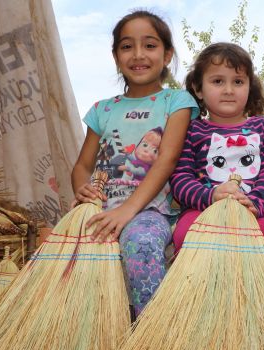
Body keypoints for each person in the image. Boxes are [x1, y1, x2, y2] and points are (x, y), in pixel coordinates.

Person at [71, 10, 199, 320]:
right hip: (103, 209)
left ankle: (152, 334)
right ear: (116, 56)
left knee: (141, 244)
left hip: (152, 211)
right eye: (127, 46)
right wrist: (83, 194)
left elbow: (166, 160)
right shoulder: (102, 109)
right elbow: (82, 166)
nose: (138, 55)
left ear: (167, 55)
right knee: (60, 255)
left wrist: (128, 211)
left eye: (150, 45)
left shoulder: (176, 102)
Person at [169, 42, 264, 262]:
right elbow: (181, 178)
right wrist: (210, 196)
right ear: (198, 89)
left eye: (238, 82)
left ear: (250, 87)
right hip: (201, 209)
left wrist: (256, 204)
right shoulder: (191, 129)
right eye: (218, 81)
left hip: (252, 210)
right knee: (185, 235)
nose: (229, 90)